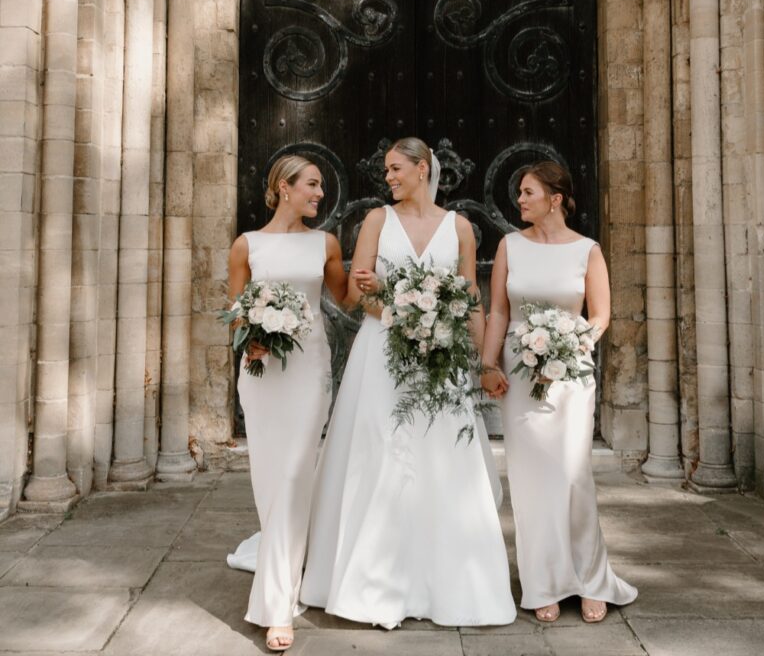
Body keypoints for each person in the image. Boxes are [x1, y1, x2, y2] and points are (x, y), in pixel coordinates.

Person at [300, 137, 516, 628]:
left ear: (423, 169)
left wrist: (484, 363)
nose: (389, 178)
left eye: (397, 169)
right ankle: (375, 580)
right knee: (381, 457)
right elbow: (356, 294)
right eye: (387, 171)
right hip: (382, 357)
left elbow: (471, 302)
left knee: (443, 462)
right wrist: (402, 313)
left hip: (442, 361)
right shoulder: (378, 219)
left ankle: (450, 581)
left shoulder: (460, 228)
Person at [480, 160, 637, 624]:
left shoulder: (587, 250)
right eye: (519, 194)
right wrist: (488, 365)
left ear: (555, 198)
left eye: (528, 192)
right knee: (531, 482)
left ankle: (590, 579)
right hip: (520, 374)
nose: (520, 200)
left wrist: (568, 348)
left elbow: (600, 315)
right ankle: (542, 581)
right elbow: (500, 313)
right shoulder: (510, 245)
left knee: (572, 475)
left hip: (570, 374)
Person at [226, 155, 347, 652]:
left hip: (308, 370)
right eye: (313, 185)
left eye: (320, 186)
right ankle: (285, 562)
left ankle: (277, 606)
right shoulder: (246, 245)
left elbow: (347, 297)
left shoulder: (326, 243)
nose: (320, 194)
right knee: (271, 481)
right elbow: (234, 312)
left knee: (297, 472)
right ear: (284, 186)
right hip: (262, 375)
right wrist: (248, 335)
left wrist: (389, 284)